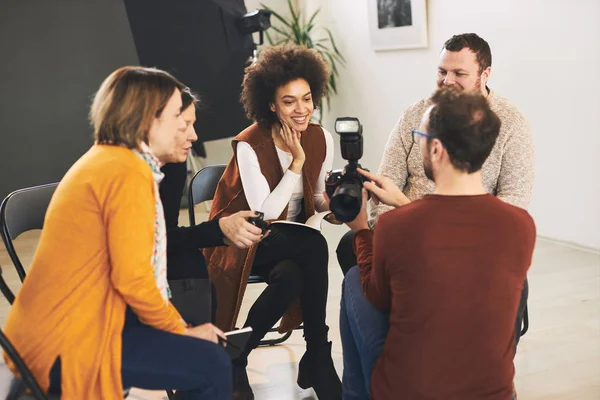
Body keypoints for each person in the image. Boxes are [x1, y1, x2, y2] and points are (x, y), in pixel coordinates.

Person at [2, 66, 231, 399]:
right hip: (66, 340)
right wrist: (183, 330)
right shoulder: (126, 172)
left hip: (70, 324)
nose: (190, 132)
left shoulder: (112, 160)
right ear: (147, 120)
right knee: (212, 363)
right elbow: (133, 279)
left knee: (201, 351)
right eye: (178, 120)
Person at [336, 87, 536, 400]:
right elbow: (457, 240)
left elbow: (377, 296)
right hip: (494, 393)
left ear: (437, 151)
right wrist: (404, 204)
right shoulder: (521, 225)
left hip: (410, 391)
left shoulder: (396, 226)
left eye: (421, 137)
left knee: (353, 281)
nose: (418, 143)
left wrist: (361, 229)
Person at [336, 33, 534, 344]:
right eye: (442, 72)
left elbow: (512, 204)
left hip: (470, 239)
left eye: (459, 74)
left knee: (508, 278)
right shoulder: (417, 114)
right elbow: (386, 182)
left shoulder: (510, 123)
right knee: (351, 244)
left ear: (486, 74)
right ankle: (392, 334)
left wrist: (416, 220)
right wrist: (396, 229)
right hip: (406, 232)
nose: (447, 81)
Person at [203, 44, 341, 399]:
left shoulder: (321, 137)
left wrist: (337, 204)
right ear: (270, 104)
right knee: (312, 244)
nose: (301, 109)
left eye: (307, 99)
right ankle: (318, 355)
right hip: (242, 237)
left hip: (293, 243)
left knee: (294, 273)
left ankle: (236, 358)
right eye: (289, 101)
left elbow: (313, 201)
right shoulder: (250, 144)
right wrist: (296, 162)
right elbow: (265, 214)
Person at [159, 89, 263, 325]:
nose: (194, 136)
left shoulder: (173, 162)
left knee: (190, 261)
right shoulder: (125, 175)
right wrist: (219, 230)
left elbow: (165, 233)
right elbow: (149, 244)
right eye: (184, 125)